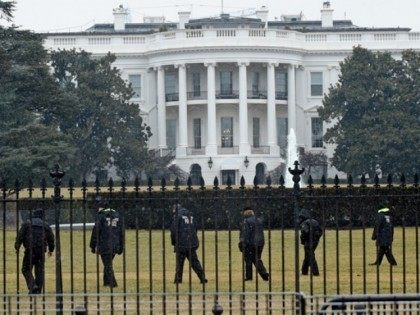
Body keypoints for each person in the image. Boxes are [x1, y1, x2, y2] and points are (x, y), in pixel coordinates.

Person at [15, 209, 55, 294]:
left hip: (30, 250)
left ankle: (32, 285)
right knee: (40, 271)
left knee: (25, 269)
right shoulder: (45, 225)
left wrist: (17, 247)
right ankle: (37, 290)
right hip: (41, 251)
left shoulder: (26, 224)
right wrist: (51, 249)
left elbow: (20, 236)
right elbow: (51, 238)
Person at [171, 204, 207, 284]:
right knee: (195, 262)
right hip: (191, 243)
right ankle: (202, 277)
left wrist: (174, 243)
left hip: (181, 244)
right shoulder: (190, 214)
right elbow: (195, 228)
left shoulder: (177, 215)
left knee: (179, 264)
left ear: (174, 209)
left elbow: (174, 231)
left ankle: (178, 280)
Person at [90, 204, 124, 288]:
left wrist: (92, 245)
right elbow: (121, 232)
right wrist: (121, 246)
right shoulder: (117, 215)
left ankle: (113, 284)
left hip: (104, 244)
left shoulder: (101, 216)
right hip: (115, 244)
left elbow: (96, 231)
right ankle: (106, 282)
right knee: (108, 263)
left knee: (107, 264)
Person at [238, 207, 269, 281]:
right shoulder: (258, 220)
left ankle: (249, 277)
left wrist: (242, 243)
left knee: (248, 260)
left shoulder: (246, 221)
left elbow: (245, 233)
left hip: (250, 243)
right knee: (257, 259)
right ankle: (264, 273)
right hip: (260, 243)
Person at [299, 209, 323, 276]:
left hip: (308, 241)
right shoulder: (315, 221)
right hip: (315, 241)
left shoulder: (304, 223)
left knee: (310, 256)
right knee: (307, 256)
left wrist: (303, 240)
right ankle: (304, 271)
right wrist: (316, 238)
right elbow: (321, 231)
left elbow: (304, 232)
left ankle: (315, 272)